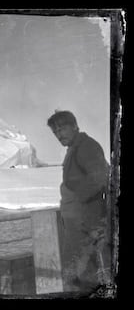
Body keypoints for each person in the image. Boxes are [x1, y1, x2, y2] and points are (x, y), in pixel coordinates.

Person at [47, 110, 111, 292]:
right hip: (76, 224)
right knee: (79, 274)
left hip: (83, 224)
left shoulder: (86, 146)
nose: (59, 135)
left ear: (74, 126)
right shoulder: (75, 148)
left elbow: (101, 177)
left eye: (62, 128)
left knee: (81, 277)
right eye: (55, 132)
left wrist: (78, 202)